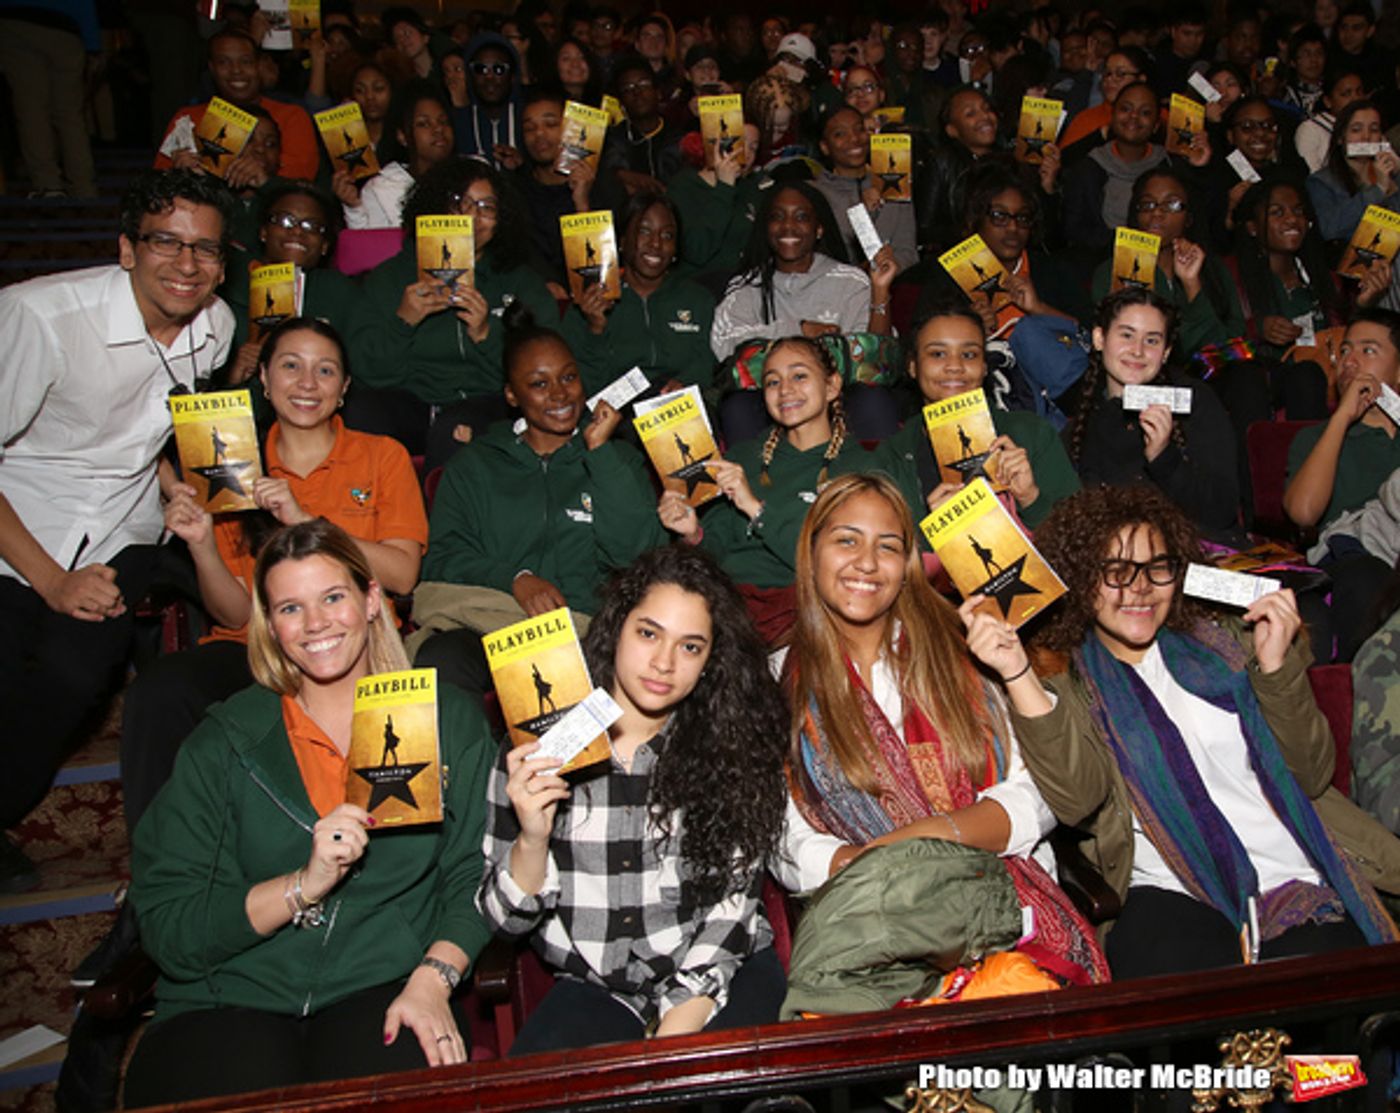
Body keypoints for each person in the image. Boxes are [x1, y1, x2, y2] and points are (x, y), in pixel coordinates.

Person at [122, 519, 495, 1104]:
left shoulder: (447, 719)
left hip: (384, 984)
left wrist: (434, 978)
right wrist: (303, 885)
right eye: (291, 608)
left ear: (372, 600)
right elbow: (169, 926)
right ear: (270, 625)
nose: (316, 623)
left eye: (333, 597)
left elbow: (475, 874)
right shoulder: (224, 740)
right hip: (230, 992)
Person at [966, 483, 1399, 976]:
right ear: (1082, 579)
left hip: (1293, 872)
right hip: (1168, 882)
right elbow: (1078, 798)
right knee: (1178, 967)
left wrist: (1276, 669)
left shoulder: (1233, 641)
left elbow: (1312, 772)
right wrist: (1018, 672)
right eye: (1116, 571)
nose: (1141, 588)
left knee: (1324, 974)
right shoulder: (1065, 676)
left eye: (1157, 568)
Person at [772, 473, 1107, 987]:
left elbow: (1037, 792)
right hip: (870, 928)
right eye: (846, 540)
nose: (866, 562)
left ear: (907, 567)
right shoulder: (773, 682)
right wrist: (881, 872)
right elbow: (783, 836)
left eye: (888, 546)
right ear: (811, 552)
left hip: (1009, 911)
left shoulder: (965, 650)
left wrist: (923, 841)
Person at [0, 168, 235, 891]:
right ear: (127, 249)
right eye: (167, 242)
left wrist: (176, 489)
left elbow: (165, 430)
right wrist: (51, 578)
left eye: (206, 249)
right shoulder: (38, 317)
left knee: (77, 665)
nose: (187, 265)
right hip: (23, 529)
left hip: (128, 531)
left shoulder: (216, 325)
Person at [478, 544, 789, 1053]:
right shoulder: (538, 746)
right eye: (648, 633)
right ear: (616, 628)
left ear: (711, 660)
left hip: (719, 967)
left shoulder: (735, 744)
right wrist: (533, 838)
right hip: (595, 986)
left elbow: (733, 911)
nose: (664, 663)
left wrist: (674, 1035)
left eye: (690, 647)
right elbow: (505, 922)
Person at [409, 306, 665, 695]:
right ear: (512, 395)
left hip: (582, 629)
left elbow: (637, 556)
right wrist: (516, 580)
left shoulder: (618, 460)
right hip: (489, 621)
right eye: (539, 384)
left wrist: (600, 453)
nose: (560, 394)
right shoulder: (475, 465)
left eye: (568, 377)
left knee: (561, 677)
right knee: (441, 661)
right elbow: (442, 558)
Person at [660, 336, 912, 638]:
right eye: (772, 382)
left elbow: (837, 564)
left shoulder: (865, 469)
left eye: (800, 376)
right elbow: (712, 556)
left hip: (810, 616)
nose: (785, 390)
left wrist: (755, 508)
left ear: (832, 386)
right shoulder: (740, 460)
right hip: (728, 611)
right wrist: (692, 534)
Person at [349, 156, 557, 466]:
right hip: (410, 402)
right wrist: (403, 322)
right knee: (361, 413)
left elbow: (544, 367)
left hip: (487, 405)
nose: (473, 216)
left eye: (487, 207)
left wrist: (487, 334)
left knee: (455, 431)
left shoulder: (520, 280)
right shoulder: (391, 277)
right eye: (461, 201)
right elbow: (364, 369)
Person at [879, 302, 1079, 530]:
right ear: (913, 367)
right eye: (938, 354)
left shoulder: (1030, 432)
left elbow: (1081, 539)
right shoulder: (893, 455)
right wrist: (935, 532)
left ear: (984, 367)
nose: (954, 365)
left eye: (969, 354)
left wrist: (1031, 499)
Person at [1065, 287, 1241, 540]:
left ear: (1166, 351)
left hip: (1198, 554)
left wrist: (1163, 456)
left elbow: (1221, 512)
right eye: (1126, 335)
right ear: (1099, 339)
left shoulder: (1194, 401)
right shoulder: (1083, 422)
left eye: (1152, 340)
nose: (1138, 350)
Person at [1284, 308, 1400, 660]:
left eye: (1368, 351)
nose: (1349, 361)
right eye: (1345, 351)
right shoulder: (1317, 438)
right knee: (1366, 577)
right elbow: (1303, 513)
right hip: (1354, 561)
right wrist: (1342, 419)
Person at [710, 183, 892, 365]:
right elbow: (724, 345)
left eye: (801, 217)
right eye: (777, 217)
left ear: (818, 229)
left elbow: (874, 361)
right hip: (765, 390)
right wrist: (799, 330)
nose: (788, 226)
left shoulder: (851, 283)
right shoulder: (747, 285)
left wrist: (880, 290)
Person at [563, 191, 716, 394]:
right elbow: (586, 387)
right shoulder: (590, 302)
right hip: (617, 413)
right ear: (623, 241)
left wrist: (686, 382)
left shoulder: (697, 299)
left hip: (681, 407)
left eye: (667, 235)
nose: (656, 244)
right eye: (644, 231)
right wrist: (595, 331)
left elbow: (707, 362)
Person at [154, 29, 318, 181]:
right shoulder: (188, 118)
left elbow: (300, 179)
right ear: (212, 68)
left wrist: (261, 178)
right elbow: (157, 180)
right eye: (224, 62)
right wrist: (178, 174)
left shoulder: (291, 116)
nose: (236, 70)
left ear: (259, 66)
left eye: (245, 62)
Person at [811, 107, 918, 275]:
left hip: (893, 286)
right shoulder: (816, 194)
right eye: (840, 134)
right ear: (825, 147)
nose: (854, 138)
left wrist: (889, 267)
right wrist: (865, 213)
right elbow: (824, 257)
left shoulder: (893, 180)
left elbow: (909, 252)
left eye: (860, 129)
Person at [336, 81, 454, 231]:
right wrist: (353, 208)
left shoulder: (471, 175)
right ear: (402, 136)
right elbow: (369, 247)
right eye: (423, 124)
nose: (438, 129)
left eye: (443, 121)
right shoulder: (381, 189)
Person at [1306, 99, 1400, 246]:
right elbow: (1329, 228)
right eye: (1356, 130)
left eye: (1374, 130)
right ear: (1340, 138)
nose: (1366, 137)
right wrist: (1378, 189)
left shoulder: (1393, 176)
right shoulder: (1321, 182)